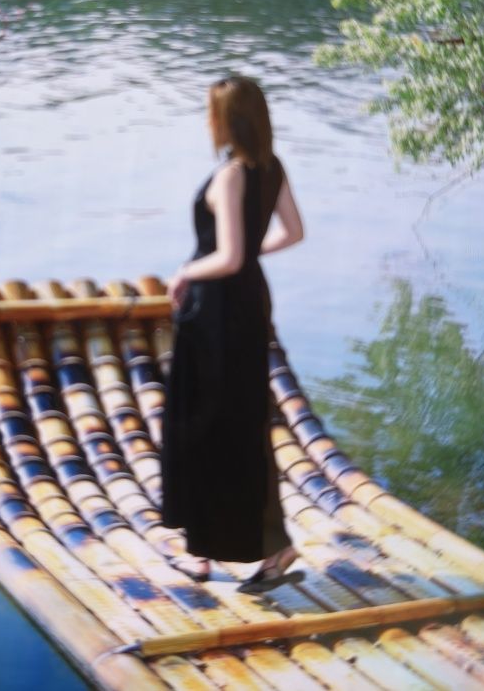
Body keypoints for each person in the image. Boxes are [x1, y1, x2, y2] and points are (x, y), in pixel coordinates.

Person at [160, 74, 306, 591]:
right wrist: (248, 249)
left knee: (199, 423)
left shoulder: (229, 176)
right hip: (250, 305)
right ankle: (262, 548)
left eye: (212, 113)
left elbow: (227, 257)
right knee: (242, 424)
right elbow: (294, 233)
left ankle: (205, 554)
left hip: (216, 313)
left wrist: (184, 272)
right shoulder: (271, 167)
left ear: (225, 120)